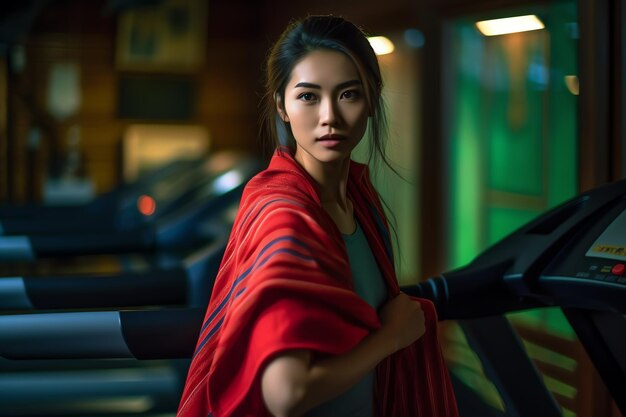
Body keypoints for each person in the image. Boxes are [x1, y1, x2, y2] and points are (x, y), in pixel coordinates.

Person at [176, 15, 458, 417]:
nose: (330, 116)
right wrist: (390, 338)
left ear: (373, 100)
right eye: (308, 96)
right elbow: (286, 393)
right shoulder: (284, 214)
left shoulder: (359, 200)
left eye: (348, 94)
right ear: (282, 106)